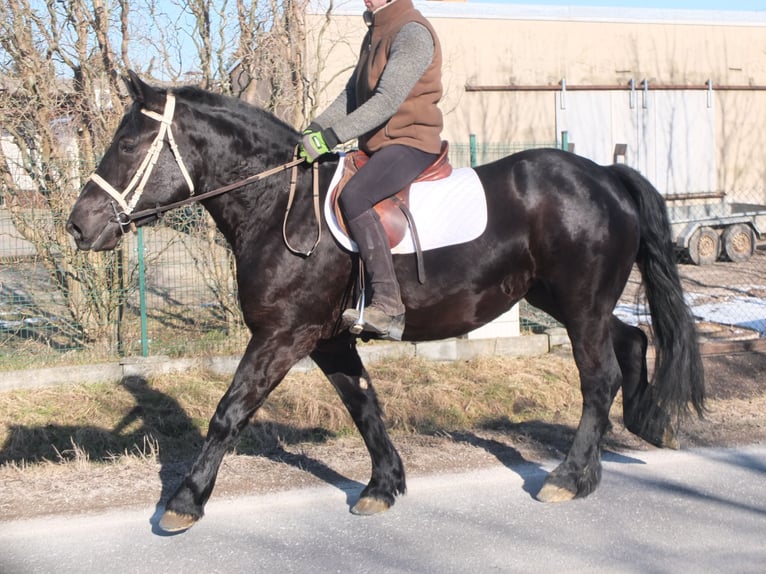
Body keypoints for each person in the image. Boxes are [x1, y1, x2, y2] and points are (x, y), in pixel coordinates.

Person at [299, 0, 443, 341]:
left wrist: (331, 137)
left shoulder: (411, 31)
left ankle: (389, 306)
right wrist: (314, 129)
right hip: (378, 145)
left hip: (412, 142)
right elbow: (352, 94)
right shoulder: (377, 30)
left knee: (356, 195)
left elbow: (386, 99)